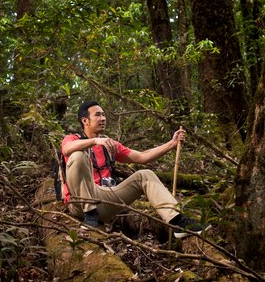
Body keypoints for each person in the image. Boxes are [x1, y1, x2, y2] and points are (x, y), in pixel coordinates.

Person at [61, 100, 210, 238]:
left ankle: (178, 222)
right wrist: (94, 141)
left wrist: (171, 143)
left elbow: (142, 157)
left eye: (104, 115)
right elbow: (67, 150)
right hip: (79, 202)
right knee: (78, 156)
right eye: (98, 115)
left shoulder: (109, 144)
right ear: (85, 120)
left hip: (104, 199)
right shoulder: (72, 139)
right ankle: (90, 213)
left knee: (145, 175)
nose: (103, 118)